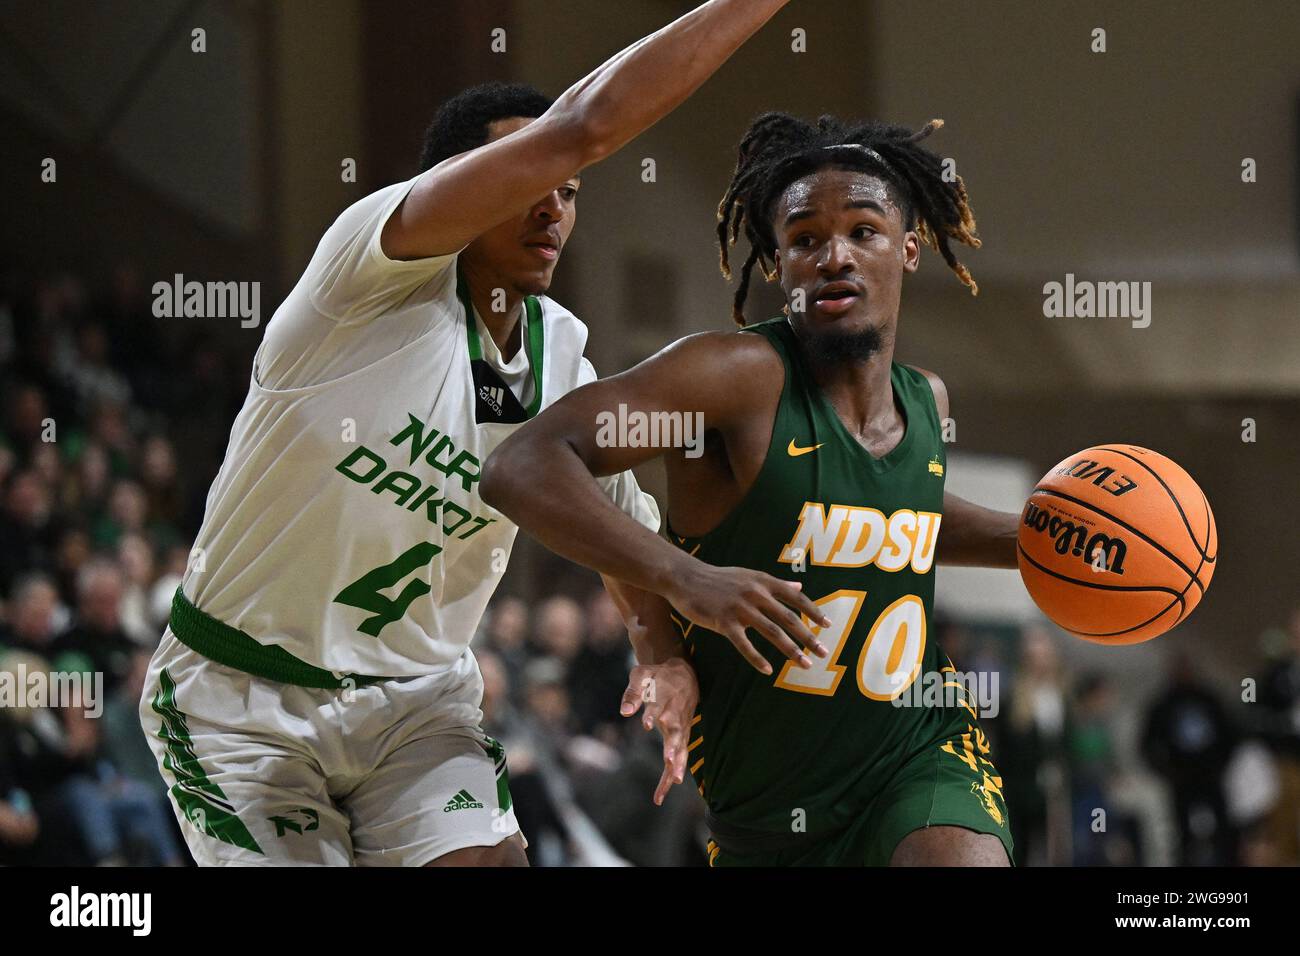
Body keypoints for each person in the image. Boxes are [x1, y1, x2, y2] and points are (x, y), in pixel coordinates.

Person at [138, 0, 800, 867]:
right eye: (527, 184)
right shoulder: (363, 279)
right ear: (461, 185)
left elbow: (620, 530)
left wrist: (659, 651)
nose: (553, 211)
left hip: (418, 703)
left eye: (568, 195)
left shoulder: (561, 353)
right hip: (241, 697)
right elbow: (583, 127)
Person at [483, 112, 1030, 866]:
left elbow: (911, 518)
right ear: (776, 263)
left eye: (864, 231)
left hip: (916, 754)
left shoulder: (925, 402)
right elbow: (523, 464)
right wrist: (685, 578)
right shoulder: (734, 380)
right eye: (805, 239)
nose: (834, 255)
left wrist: (1047, 544)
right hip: (765, 809)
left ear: (908, 249)